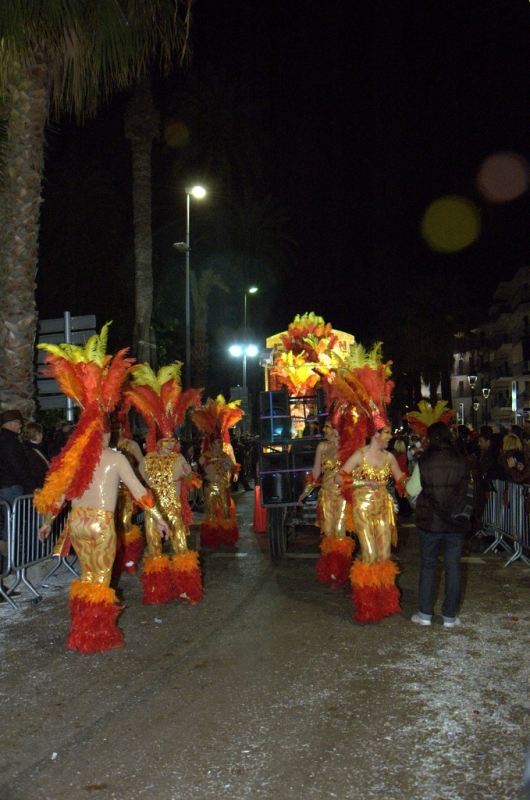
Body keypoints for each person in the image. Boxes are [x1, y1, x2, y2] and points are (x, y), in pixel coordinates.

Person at [34, 322, 170, 653]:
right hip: (101, 523)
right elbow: (139, 491)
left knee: (85, 576)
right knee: (102, 580)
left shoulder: (75, 460)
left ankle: (81, 631)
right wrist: (158, 517)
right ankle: (97, 635)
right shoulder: (114, 457)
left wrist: (48, 523)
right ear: (107, 433)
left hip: (77, 522)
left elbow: (63, 494)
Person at [122, 361, 203, 605]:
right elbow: (141, 478)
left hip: (173, 509)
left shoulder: (179, 458)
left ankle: (186, 588)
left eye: (172, 441)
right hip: (152, 510)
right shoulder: (147, 460)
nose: (170, 445)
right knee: (154, 548)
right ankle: (157, 591)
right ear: (157, 442)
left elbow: (191, 477)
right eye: (165, 442)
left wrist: (191, 477)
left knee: (180, 545)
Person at [336, 422, 406, 624]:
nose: (390, 437)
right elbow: (338, 479)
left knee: (384, 555)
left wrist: (418, 481)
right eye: (387, 433)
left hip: (383, 507)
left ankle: (385, 602)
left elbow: (400, 478)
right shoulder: (360, 455)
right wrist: (362, 482)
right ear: (375, 434)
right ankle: (367, 605)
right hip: (363, 508)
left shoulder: (389, 457)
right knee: (370, 554)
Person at [407, 420, 471, 628]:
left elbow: (412, 490)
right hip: (455, 522)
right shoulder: (461, 460)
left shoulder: (424, 461)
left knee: (429, 566)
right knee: (454, 568)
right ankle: (450, 617)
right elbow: (467, 489)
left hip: (430, 522)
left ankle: (425, 614)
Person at [298, 417, 354, 587]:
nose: (324, 430)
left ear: (337, 430)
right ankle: (331, 570)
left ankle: (340, 573)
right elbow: (316, 472)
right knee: (328, 534)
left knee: (339, 533)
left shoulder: (347, 448)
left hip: (342, 496)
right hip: (326, 495)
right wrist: (305, 492)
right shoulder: (322, 446)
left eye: (327, 427)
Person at [192, 396, 245, 547]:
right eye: (216, 443)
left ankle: (228, 538)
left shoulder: (226, 455)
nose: (218, 445)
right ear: (211, 443)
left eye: (220, 442)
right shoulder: (206, 456)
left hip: (222, 486)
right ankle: (211, 539)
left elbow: (233, 466)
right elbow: (196, 467)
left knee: (225, 512)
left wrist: (231, 469)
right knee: (210, 513)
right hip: (209, 487)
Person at [0, 410, 36, 589]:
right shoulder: (10, 442)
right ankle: (7, 568)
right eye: (19, 423)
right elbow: (20, 468)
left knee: (7, 529)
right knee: (10, 530)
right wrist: (31, 487)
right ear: (12, 423)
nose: (21, 426)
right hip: (11, 488)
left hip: (4, 487)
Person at [109, 420, 146, 578]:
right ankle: (114, 562)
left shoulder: (131, 445)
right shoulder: (106, 445)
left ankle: (130, 559)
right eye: (115, 427)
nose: (118, 430)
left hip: (126, 492)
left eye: (120, 426)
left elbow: (142, 464)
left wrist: (146, 484)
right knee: (111, 527)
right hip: (109, 493)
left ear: (125, 427)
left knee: (125, 524)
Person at [22, 421, 50, 489]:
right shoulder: (29, 450)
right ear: (36, 434)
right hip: (39, 485)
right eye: (41, 433)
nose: (42, 435)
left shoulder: (35, 448)